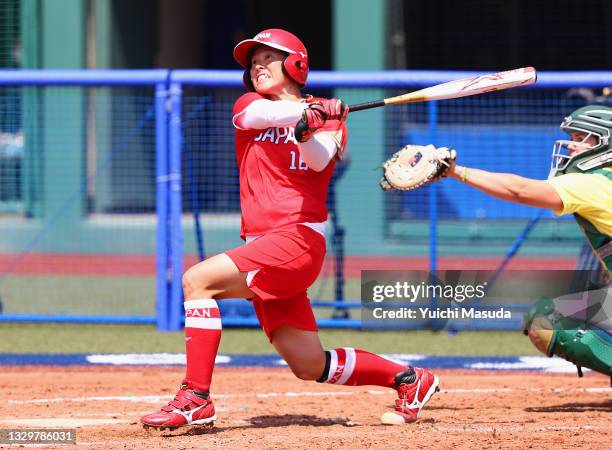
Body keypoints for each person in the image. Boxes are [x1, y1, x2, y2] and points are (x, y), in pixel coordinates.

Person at [141, 28, 439, 429]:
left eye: (268, 58)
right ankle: (408, 379)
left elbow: (317, 161)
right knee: (308, 363)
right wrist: (303, 115)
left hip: (297, 239)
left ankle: (196, 397)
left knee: (198, 281)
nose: (258, 66)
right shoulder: (252, 104)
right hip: (264, 243)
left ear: (296, 64)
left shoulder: (330, 120)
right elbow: (257, 116)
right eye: (254, 61)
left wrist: (307, 129)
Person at [441, 105, 611, 379]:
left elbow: (519, 190)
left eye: (580, 140)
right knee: (545, 313)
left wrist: (456, 171)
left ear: (604, 144)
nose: (570, 148)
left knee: (546, 323)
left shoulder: (593, 183)